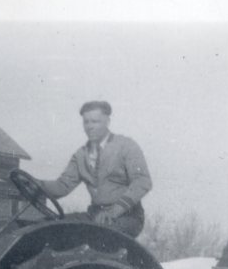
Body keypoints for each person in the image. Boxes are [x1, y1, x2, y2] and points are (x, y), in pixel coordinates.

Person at [38, 100, 152, 237]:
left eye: (95, 122)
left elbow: (142, 182)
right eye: (86, 122)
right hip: (95, 215)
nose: (90, 127)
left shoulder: (126, 146)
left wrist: (114, 211)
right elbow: (62, 186)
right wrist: (37, 184)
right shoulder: (81, 155)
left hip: (127, 217)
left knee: (97, 235)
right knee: (46, 226)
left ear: (107, 122)